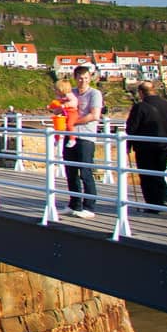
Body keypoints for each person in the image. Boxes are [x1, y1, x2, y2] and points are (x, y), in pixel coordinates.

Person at [127, 82, 167, 210]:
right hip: (165, 146)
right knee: (159, 172)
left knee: (147, 175)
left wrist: (128, 145)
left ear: (140, 92)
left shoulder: (140, 107)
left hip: (145, 147)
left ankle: (154, 203)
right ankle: (164, 196)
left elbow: (132, 128)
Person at [62, 65, 103, 219]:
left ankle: (89, 206)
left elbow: (94, 115)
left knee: (85, 171)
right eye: (80, 78)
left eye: (86, 78)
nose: (83, 81)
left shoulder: (95, 93)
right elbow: (61, 108)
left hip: (86, 137)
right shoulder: (71, 93)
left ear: (90, 78)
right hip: (70, 135)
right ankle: (74, 204)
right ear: (75, 78)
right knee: (70, 171)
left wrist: (74, 123)